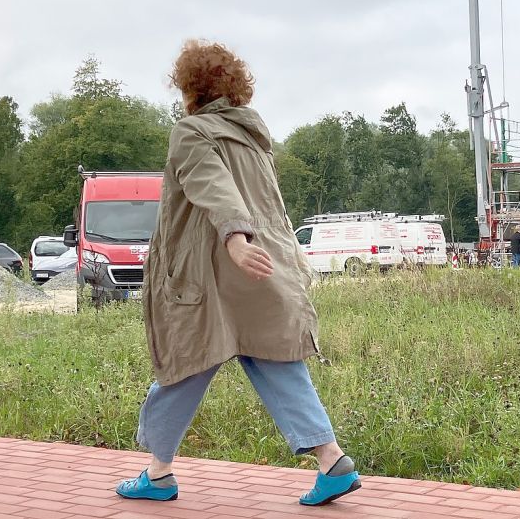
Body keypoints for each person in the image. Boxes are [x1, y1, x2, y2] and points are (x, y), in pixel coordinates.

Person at [115, 40, 360, 507]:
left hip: (212, 277)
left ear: (189, 87)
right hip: (262, 271)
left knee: (183, 364)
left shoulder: (192, 132)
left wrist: (233, 236)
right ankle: (332, 462)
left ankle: (158, 473)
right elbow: (269, 207)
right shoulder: (254, 140)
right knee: (276, 363)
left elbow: (213, 185)